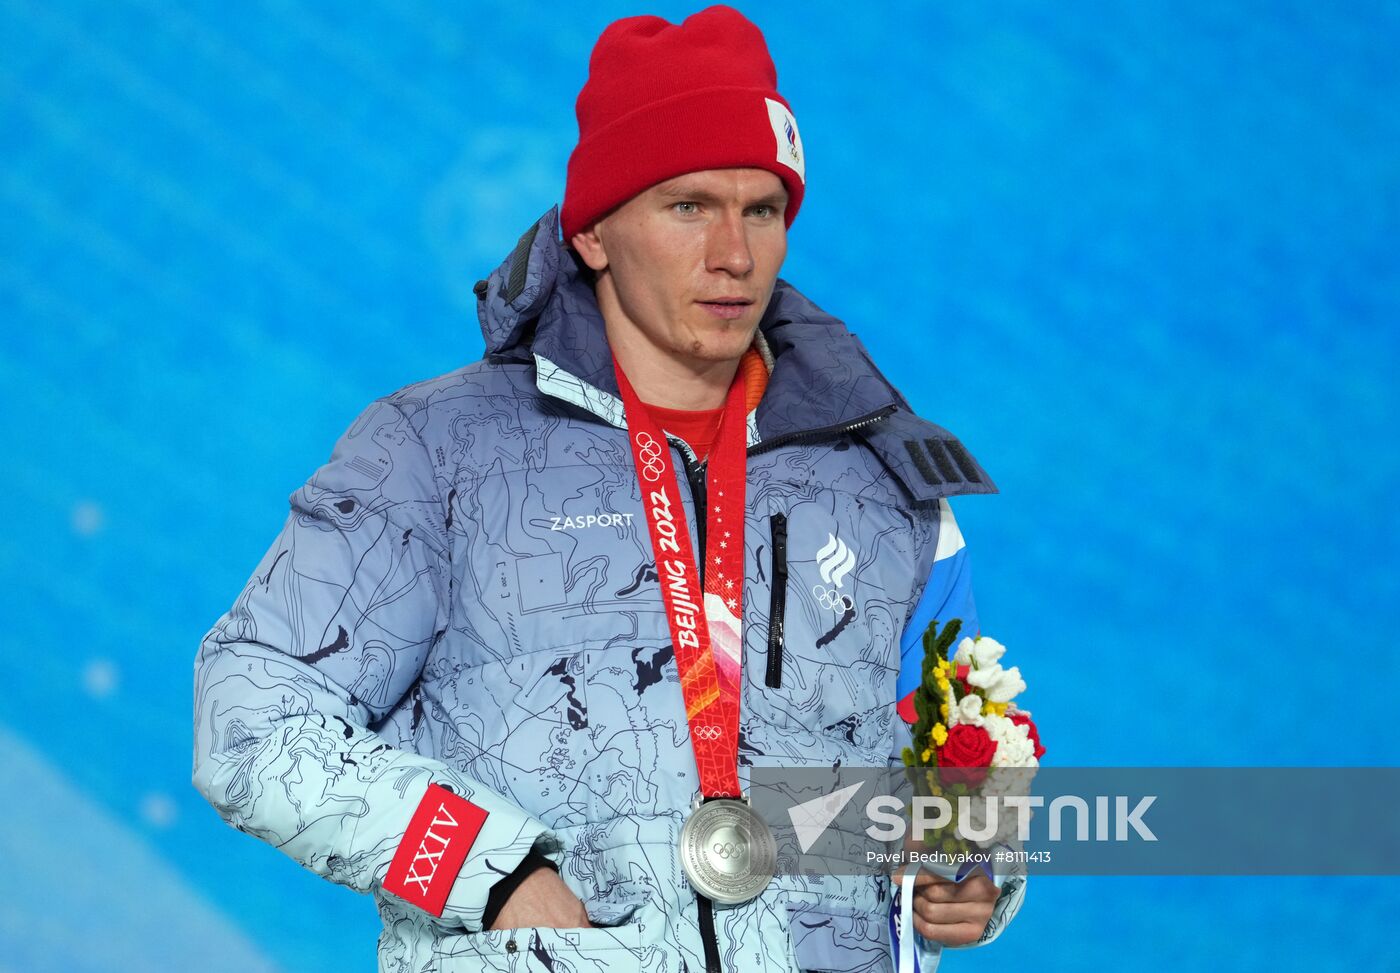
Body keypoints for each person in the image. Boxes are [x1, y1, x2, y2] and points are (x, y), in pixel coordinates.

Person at [191, 6, 1026, 971]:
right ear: (592, 232)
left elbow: (964, 748)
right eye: (689, 207)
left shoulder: (882, 481)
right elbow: (249, 716)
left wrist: (973, 865)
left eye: (762, 209)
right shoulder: (434, 454)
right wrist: (490, 872)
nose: (734, 253)